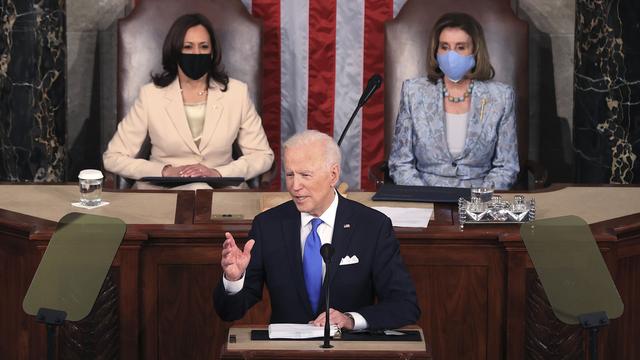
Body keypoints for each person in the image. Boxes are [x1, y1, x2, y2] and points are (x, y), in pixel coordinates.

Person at [214, 130, 420, 331]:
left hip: (348, 351)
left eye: (305, 175)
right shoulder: (268, 225)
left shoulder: (372, 226)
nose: (295, 186)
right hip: (286, 354)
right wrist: (233, 279)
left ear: (333, 175)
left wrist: (350, 320)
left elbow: (405, 305)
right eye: (290, 174)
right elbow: (228, 312)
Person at [103, 13, 273, 189]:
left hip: (222, 193)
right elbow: (113, 157)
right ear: (175, 51)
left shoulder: (237, 93)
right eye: (188, 47)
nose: (196, 53)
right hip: (164, 193)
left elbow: (262, 156)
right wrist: (165, 171)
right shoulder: (150, 95)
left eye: (203, 46)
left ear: (212, 52)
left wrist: (219, 173)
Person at [388, 12, 519, 190]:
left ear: (475, 50)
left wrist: (479, 200)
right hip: (424, 197)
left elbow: (506, 167)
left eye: (460, 47)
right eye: (444, 47)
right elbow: (400, 163)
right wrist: (423, 197)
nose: (452, 55)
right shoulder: (414, 92)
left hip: (479, 200)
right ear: (436, 50)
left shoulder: (501, 96)